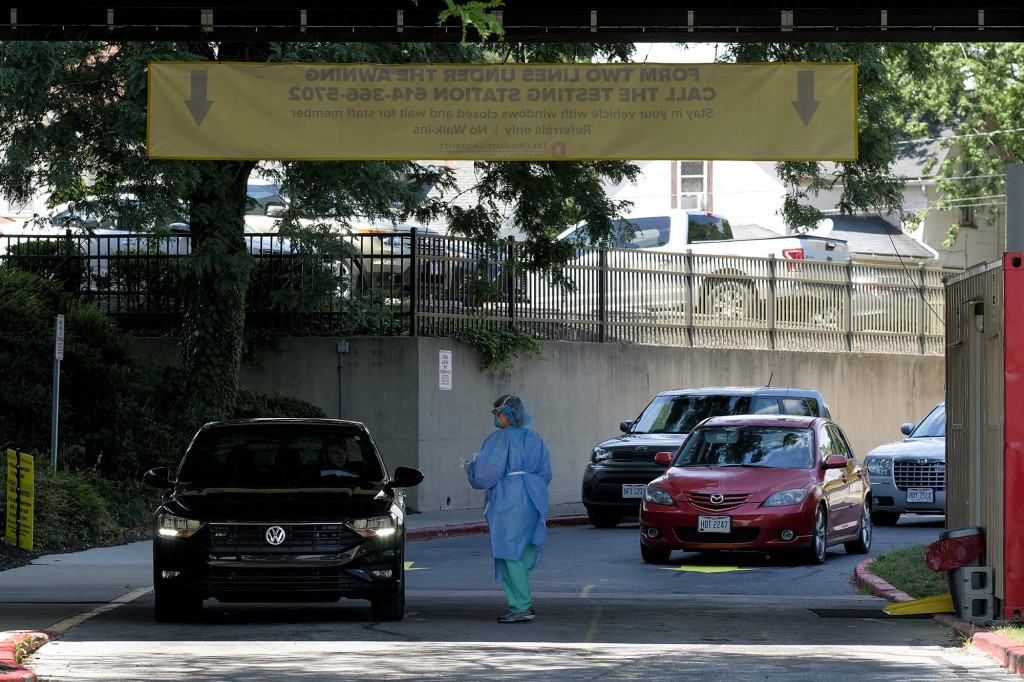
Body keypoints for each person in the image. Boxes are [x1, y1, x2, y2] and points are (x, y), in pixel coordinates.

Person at [465, 394, 552, 624]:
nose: (495, 418)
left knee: (509, 552)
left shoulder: (499, 439)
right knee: (523, 552)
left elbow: (485, 474)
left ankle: (522, 605)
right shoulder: (536, 438)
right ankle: (522, 603)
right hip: (534, 497)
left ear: (507, 414)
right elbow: (546, 473)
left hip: (509, 500)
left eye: (497, 413)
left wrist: (471, 471)